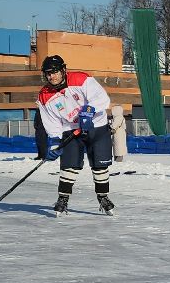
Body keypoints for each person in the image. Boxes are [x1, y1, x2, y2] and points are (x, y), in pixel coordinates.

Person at [38, 53, 117, 215]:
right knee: (69, 165)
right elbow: (51, 121)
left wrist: (88, 111)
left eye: (55, 71)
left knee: (100, 165)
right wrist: (54, 141)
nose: (51, 76)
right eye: (48, 73)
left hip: (97, 126)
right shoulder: (44, 95)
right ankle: (63, 199)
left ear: (63, 70)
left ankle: (103, 197)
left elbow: (102, 98)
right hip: (71, 131)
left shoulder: (80, 79)